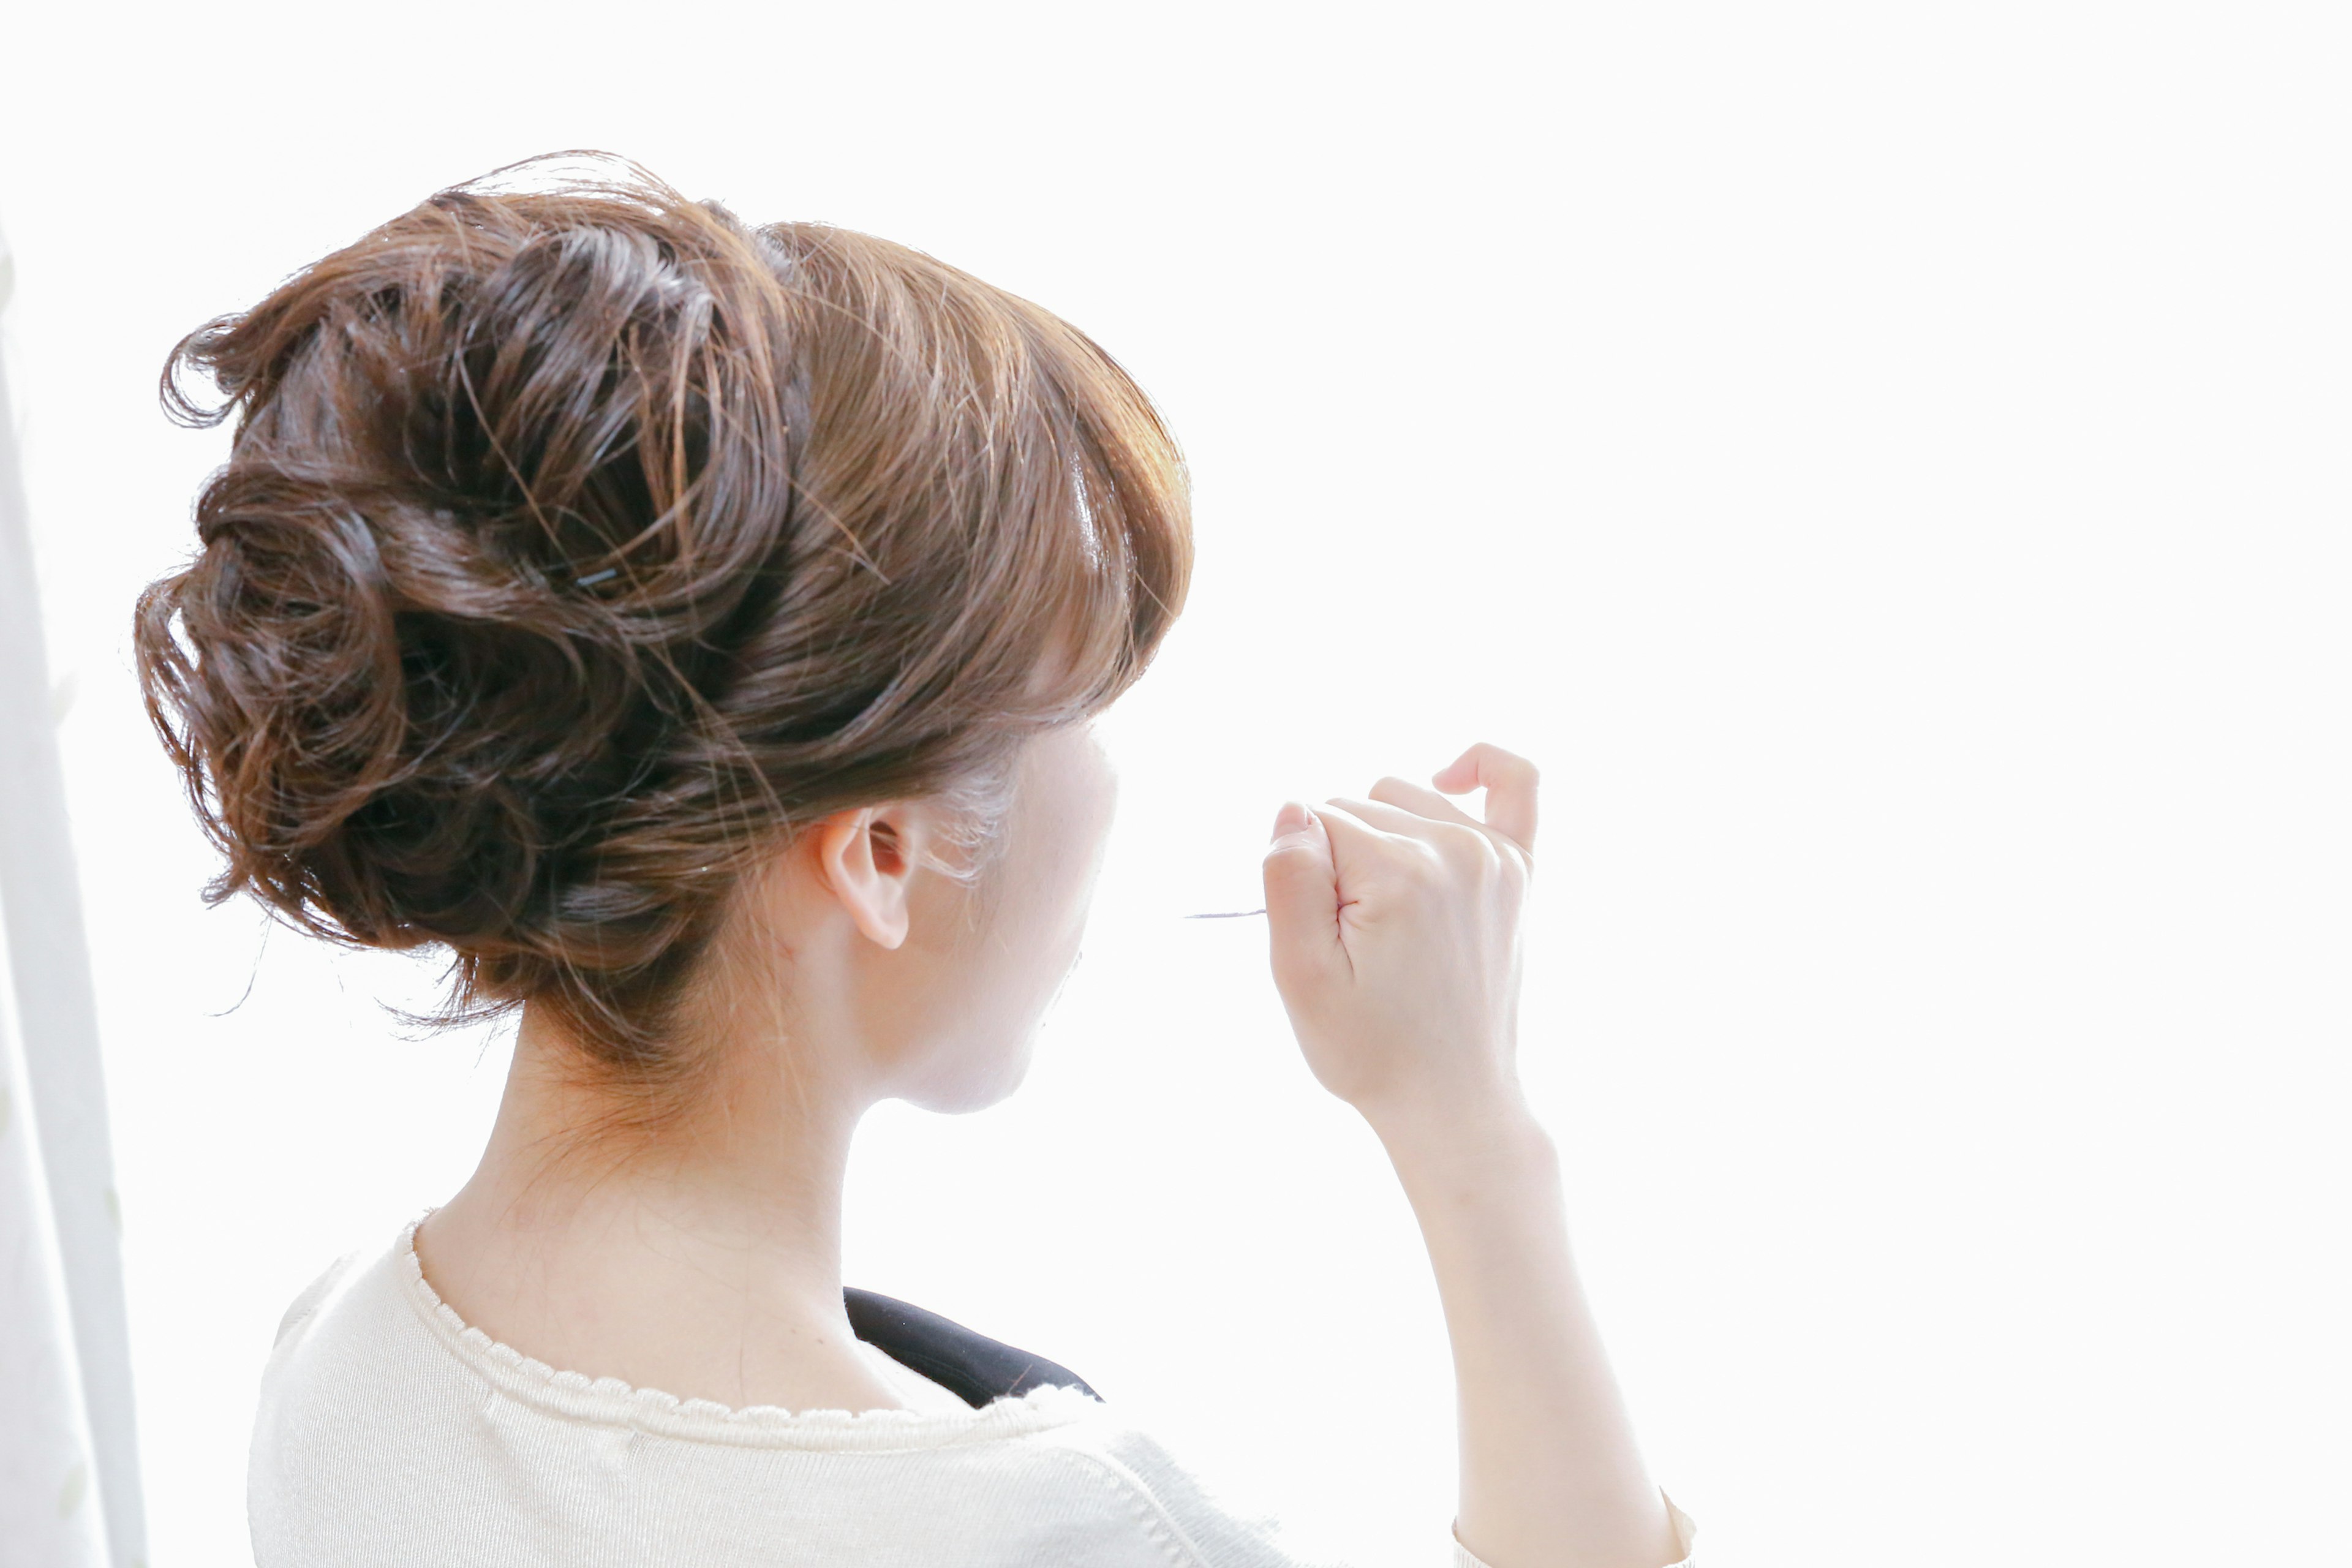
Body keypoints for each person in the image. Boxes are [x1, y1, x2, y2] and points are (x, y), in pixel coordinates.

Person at [134, 155, 1696, 1568]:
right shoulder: (1080, 1533)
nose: (1109, 780)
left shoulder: (333, 1368)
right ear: (880, 855)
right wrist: (1472, 1125)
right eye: (1084, 711)